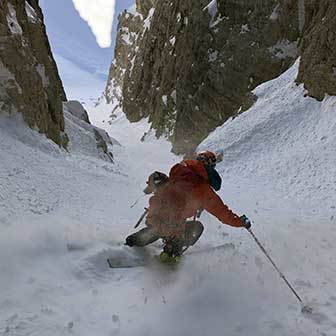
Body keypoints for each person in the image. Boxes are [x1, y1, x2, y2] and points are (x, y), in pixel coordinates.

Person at [125, 151, 251, 260]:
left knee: (157, 229)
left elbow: (167, 187)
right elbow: (223, 214)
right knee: (196, 227)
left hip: (154, 216)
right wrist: (240, 221)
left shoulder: (178, 169)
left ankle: (133, 241)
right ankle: (171, 255)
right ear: (210, 167)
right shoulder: (202, 189)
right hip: (173, 224)